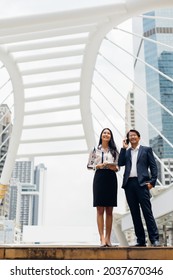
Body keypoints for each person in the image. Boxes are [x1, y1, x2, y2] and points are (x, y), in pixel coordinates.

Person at [118, 129, 160, 247]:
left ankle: (154, 239)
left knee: (147, 212)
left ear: (139, 137)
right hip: (129, 184)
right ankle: (140, 240)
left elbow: (153, 167)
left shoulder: (146, 150)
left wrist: (152, 182)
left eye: (134, 135)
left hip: (142, 184)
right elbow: (120, 163)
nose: (132, 137)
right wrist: (123, 148)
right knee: (135, 214)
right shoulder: (126, 152)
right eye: (130, 136)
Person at [87, 128, 119, 247]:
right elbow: (89, 165)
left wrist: (113, 167)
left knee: (109, 210)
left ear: (110, 136)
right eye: (104, 133)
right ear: (101, 135)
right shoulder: (94, 149)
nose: (106, 135)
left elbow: (118, 167)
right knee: (100, 209)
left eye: (108, 133)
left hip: (111, 178)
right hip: (99, 177)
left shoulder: (114, 151)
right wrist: (98, 165)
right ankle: (101, 239)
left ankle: (108, 239)